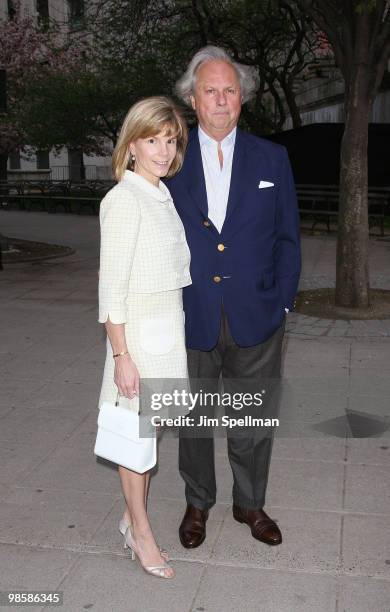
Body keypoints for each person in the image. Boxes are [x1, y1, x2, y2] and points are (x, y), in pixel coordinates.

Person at [165, 46, 301, 549]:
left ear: (240, 98)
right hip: (190, 313)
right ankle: (198, 501)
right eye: (210, 91)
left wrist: (282, 302)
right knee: (193, 419)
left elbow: (289, 236)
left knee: (252, 416)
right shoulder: (169, 158)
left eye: (230, 90)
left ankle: (250, 502)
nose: (221, 100)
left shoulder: (272, 158)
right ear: (192, 100)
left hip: (257, 315)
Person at [97, 96, 190, 579]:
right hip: (138, 344)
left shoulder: (159, 194)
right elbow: (111, 288)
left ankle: (134, 522)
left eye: (169, 140)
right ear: (131, 144)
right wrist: (121, 356)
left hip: (164, 338)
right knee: (135, 443)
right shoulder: (124, 199)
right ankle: (140, 531)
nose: (162, 149)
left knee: (146, 442)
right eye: (152, 139)